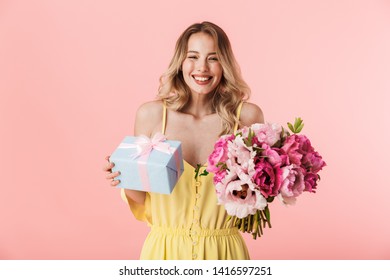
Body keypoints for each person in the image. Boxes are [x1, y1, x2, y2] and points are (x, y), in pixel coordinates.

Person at [103, 21, 264, 260]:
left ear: (224, 65)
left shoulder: (247, 118)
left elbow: (254, 202)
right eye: (193, 56)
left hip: (224, 253)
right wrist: (123, 175)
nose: (202, 68)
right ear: (180, 62)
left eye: (213, 58)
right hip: (164, 252)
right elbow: (142, 200)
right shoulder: (152, 115)